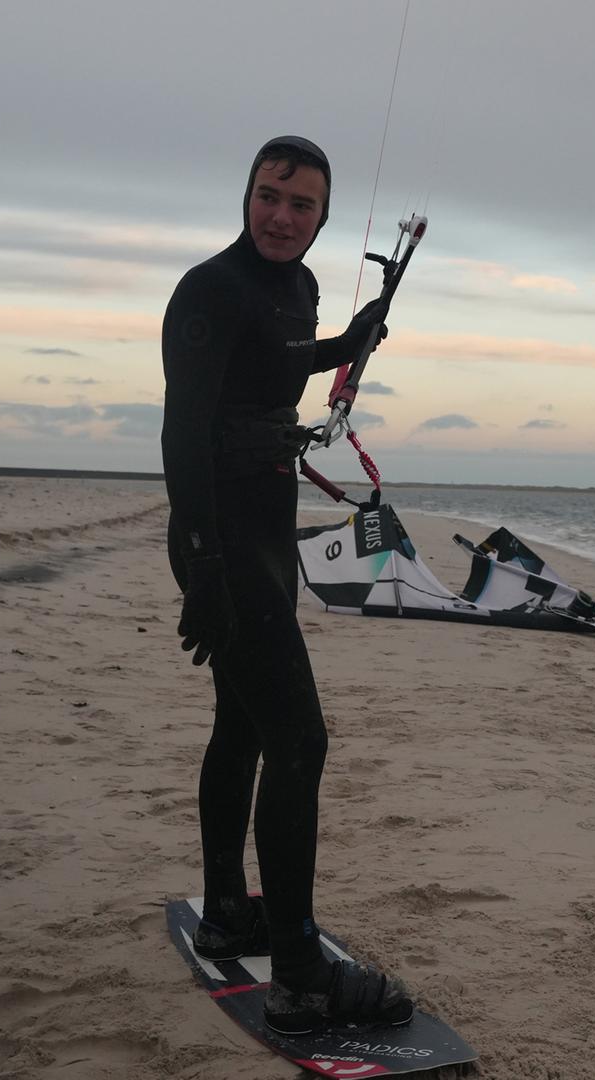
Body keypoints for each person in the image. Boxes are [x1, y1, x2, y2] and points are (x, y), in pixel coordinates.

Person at [160, 135, 413, 1034]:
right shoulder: (208, 291)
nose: (281, 215)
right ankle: (301, 974)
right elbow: (182, 436)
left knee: (243, 723)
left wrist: (348, 341)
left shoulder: (297, 289)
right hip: (221, 534)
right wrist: (203, 568)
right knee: (299, 742)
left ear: (323, 219)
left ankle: (231, 907)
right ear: (247, 193)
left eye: (301, 205)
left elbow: (279, 360)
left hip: (267, 525)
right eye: (269, 195)